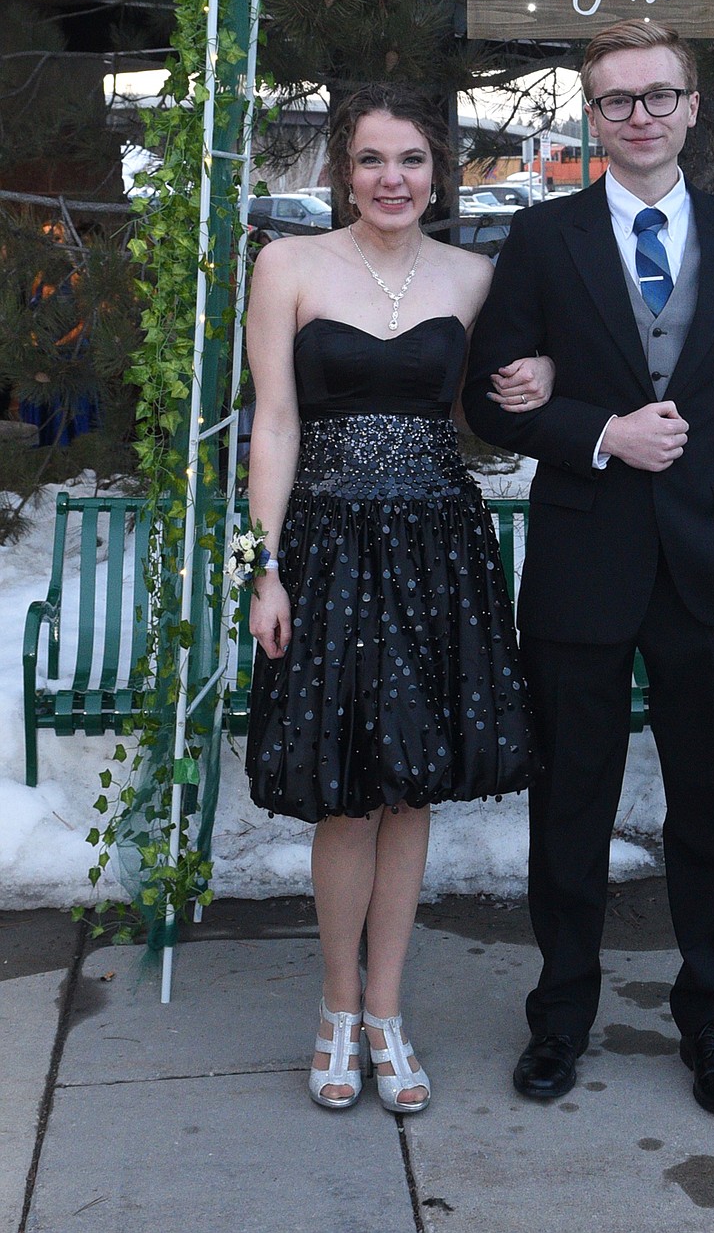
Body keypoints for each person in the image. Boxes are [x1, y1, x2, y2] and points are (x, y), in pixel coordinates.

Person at [464, 21, 714, 1117]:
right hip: (583, 563)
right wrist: (603, 432)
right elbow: (489, 402)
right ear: (592, 117)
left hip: (711, 566)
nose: (640, 116)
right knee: (569, 803)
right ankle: (560, 1018)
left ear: (693, 108)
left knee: (711, 807)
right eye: (617, 101)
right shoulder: (545, 239)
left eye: (660, 96)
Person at [244, 82, 550, 1114]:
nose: (392, 180)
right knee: (344, 791)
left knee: (410, 785)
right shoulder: (286, 265)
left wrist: (536, 388)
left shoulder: (474, 277)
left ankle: (387, 1011)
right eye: (372, 160)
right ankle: (336, 1008)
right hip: (325, 548)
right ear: (343, 168)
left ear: (438, 170)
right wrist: (265, 564)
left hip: (434, 550)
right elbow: (275, 426)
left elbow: (487, 413)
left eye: (411, 160)